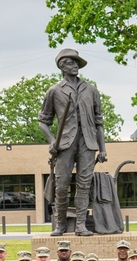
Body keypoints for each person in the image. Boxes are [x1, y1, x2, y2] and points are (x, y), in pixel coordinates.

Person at [39, 48, 108, 237]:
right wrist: (52, 140)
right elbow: (43, 121)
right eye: (71, 62)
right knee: (61, 185)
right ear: (62, 65)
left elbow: (99, 121)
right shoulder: (54, 91)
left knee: (84, 184)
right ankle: (60, 224)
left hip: (87, 142)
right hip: (65, 144)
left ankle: (80, 225)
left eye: (77, 62)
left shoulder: (91, 90)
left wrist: (102, 148)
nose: (76, 65)